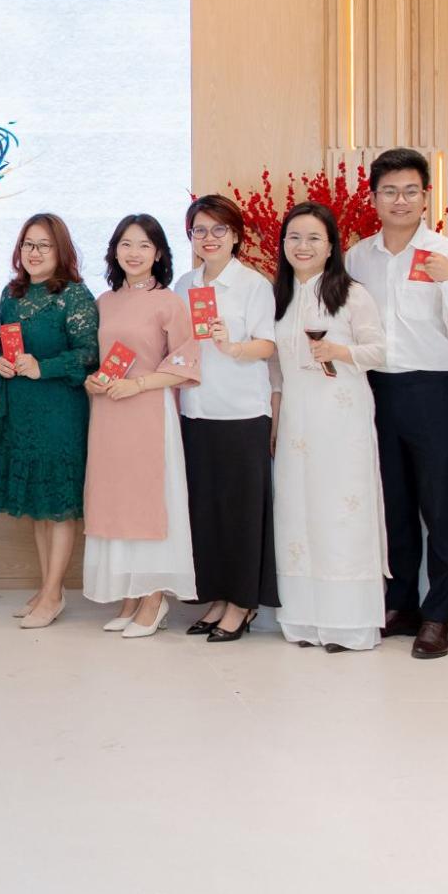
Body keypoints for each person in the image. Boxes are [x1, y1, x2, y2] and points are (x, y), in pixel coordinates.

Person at [344, 146, 448, 660]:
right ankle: (401, 603)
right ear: (374, 198)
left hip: (433, 392)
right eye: (389, 191)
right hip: (376, 390)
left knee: (440, 507)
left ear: (426, 197)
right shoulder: (358, 258)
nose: (399, 200)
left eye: (410, 191)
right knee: (393, 504)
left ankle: (440, 615)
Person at [271, 203, 389, 652]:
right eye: (294, 237)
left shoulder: (351, 294)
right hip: (296, 419)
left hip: (341, 417)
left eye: (313, 238)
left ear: (331, 246)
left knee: (340, 512)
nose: (302, 246)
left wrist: (340, 351)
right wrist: (275, 421)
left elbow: (379, 350)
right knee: (298, 511)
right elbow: (275, 371)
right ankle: (304, 619)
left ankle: (347, 623)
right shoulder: (278, 298)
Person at [81, 214, 201, 638]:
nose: (134, 253)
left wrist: (138, 385)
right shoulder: (104, 301)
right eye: (126, 244)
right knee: (115, 500)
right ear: (114, 250)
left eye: (144, 245)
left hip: (149, 409)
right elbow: (97, 359)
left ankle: (154, 597)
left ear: (159, 254)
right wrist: (93, 380)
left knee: (149, 500)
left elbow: (186, 361)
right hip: (109, 412)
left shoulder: (169, 302)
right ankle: (129, 594)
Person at [177, 194, 279, 642]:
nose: (209, 238)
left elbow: (267, 345)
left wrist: (231, 345)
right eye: (200, 230)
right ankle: (217, 597)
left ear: (235, 236)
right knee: (206, 511)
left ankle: (242, 603)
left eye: (219, 229)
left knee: (241, 513)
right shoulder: (184, 284)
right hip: (195, 410)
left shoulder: (253, 285)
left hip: (241, 413)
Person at [0, 213, 99, 630]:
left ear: (60, 251)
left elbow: (88, 354)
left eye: (44, 245)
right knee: (38, 505)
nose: (34, 253)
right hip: (21, 410)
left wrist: (44, 366)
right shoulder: (11, 293)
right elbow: (6, 345)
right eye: (28, 244)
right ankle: (47, 587)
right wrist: (3, 363)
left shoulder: (73, 295)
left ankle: (54, 594)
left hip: (59, 411)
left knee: (58, 506)